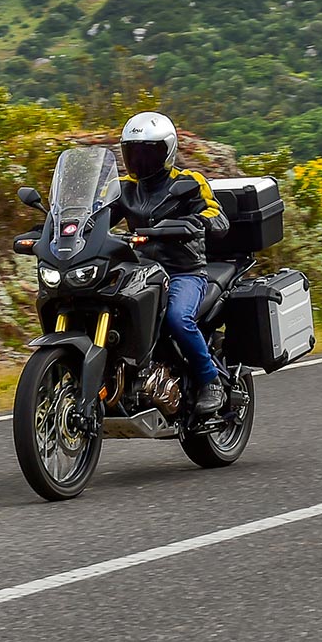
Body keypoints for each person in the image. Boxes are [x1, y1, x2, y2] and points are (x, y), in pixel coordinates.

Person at [108, 111, 231, 415]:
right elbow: (95, 217)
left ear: (167, 151)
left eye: (147, 153)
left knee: (177, 318)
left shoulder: (189, 182)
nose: (139, 160)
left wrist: (196, 222)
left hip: (183, 272)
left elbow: (217, 216)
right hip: (139, 272)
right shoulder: (122, 188)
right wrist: (62, 227)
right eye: (133, 152)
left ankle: (210, 381)